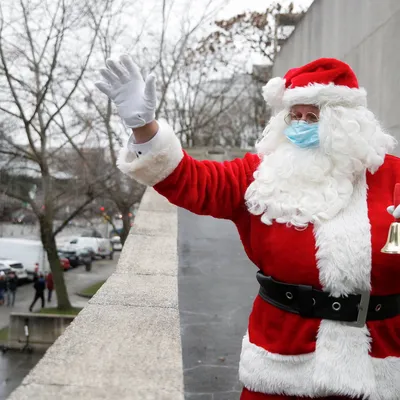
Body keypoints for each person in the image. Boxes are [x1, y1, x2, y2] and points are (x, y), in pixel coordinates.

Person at [95, 56, 400, 399]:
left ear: (345, 124)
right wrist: (145, 128)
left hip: (380, 365)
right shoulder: (263, 174)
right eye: (294, 116)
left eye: (313, 117)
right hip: (281, 361)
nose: (300, 125)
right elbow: (193, 180)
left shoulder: (392, 177)